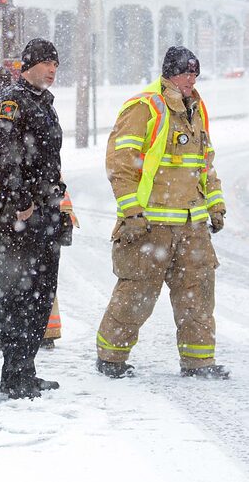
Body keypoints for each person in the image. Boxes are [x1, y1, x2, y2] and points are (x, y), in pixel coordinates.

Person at [95, 46, 229, 380]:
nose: (192, 79)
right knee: (136, 294)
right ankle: (111, 358)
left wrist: (215, 205)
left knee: (197, 296)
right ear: (169, 72)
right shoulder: (144, 107)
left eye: (195, 73)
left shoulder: (196, 110)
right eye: (186, 72)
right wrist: (131, 211)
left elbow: (204, 164)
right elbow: (120, 163)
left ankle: (199, 362)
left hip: (191, 224)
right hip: (150, 225)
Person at [0, 38, 68, 399]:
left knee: (41, 294)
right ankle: (13, 375)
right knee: (22, 295)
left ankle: (26, 370)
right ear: (29, 65)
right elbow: (1, 154)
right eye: (46, 63)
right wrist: (21, 200)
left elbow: (46, 160)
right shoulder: (12, 101)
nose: (52, 69)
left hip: (45, 211)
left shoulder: (44, 103)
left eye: (56, 64)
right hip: (24, 214)